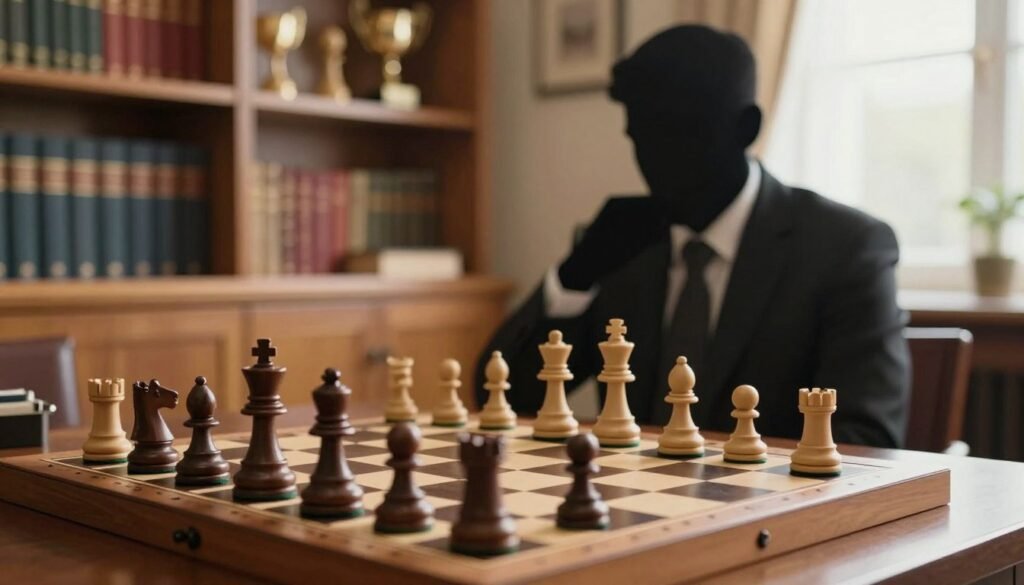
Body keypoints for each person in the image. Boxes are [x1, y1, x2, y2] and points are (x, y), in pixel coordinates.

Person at [476, 25, 909, 448]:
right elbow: (500, 397)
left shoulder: (845, 249)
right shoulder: (622, 245)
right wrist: (574, 278)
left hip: (771, 513)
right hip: (636, 511)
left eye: (679, 132)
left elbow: (867, 443)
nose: (654, 159)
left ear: (747, 128)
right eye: (642, 137)